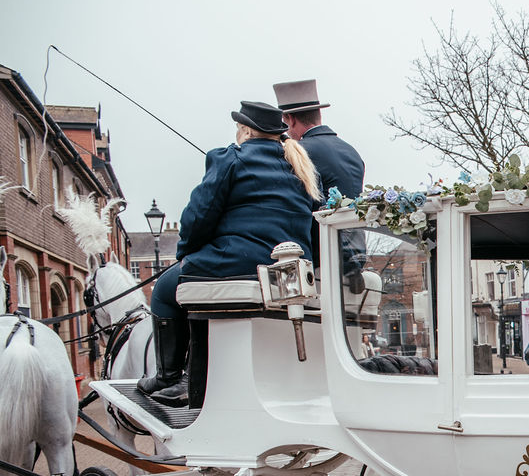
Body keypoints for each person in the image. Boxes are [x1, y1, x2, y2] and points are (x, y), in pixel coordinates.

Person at [138, 101, 321, 406]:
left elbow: (197, 217)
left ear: (245, 129)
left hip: (237, 263)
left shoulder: (229, 158)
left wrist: (185, 256)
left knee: (163, 292)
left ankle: (171, 378)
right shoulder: (300, 167)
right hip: (289, 273)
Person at [273, 79, 365, 268]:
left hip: (322, 255)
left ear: (290, 119)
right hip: (355, 254)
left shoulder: (298, 151)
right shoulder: (351, 151)